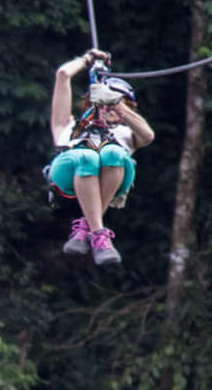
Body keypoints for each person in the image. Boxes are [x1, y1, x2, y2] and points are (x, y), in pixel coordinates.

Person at [46, 49, 155, 266]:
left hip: (114, 171)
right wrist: (87, 60)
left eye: (116, 102)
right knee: (87, 157)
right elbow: (63, 75)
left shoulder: (126, 133)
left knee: (113, 152)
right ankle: (98, 233)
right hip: (68, 171)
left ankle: (89, 229)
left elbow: (148, 135)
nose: (109, 108)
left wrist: (116, 103)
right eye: (104, 103)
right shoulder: (68, 125)